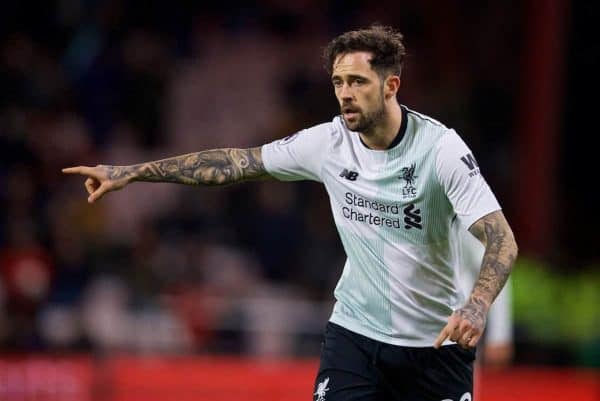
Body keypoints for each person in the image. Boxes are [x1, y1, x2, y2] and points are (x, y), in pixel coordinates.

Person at [63, 25, 518, 401]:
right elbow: (234, 164)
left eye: (357, 82)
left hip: (433, 349)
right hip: (356, 336)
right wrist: (133, 172)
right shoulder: (328, 143)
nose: (345, 94)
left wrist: (477, 307)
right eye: (338, 82)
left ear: (391, 85)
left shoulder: (441, 150)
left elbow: (501, 239)